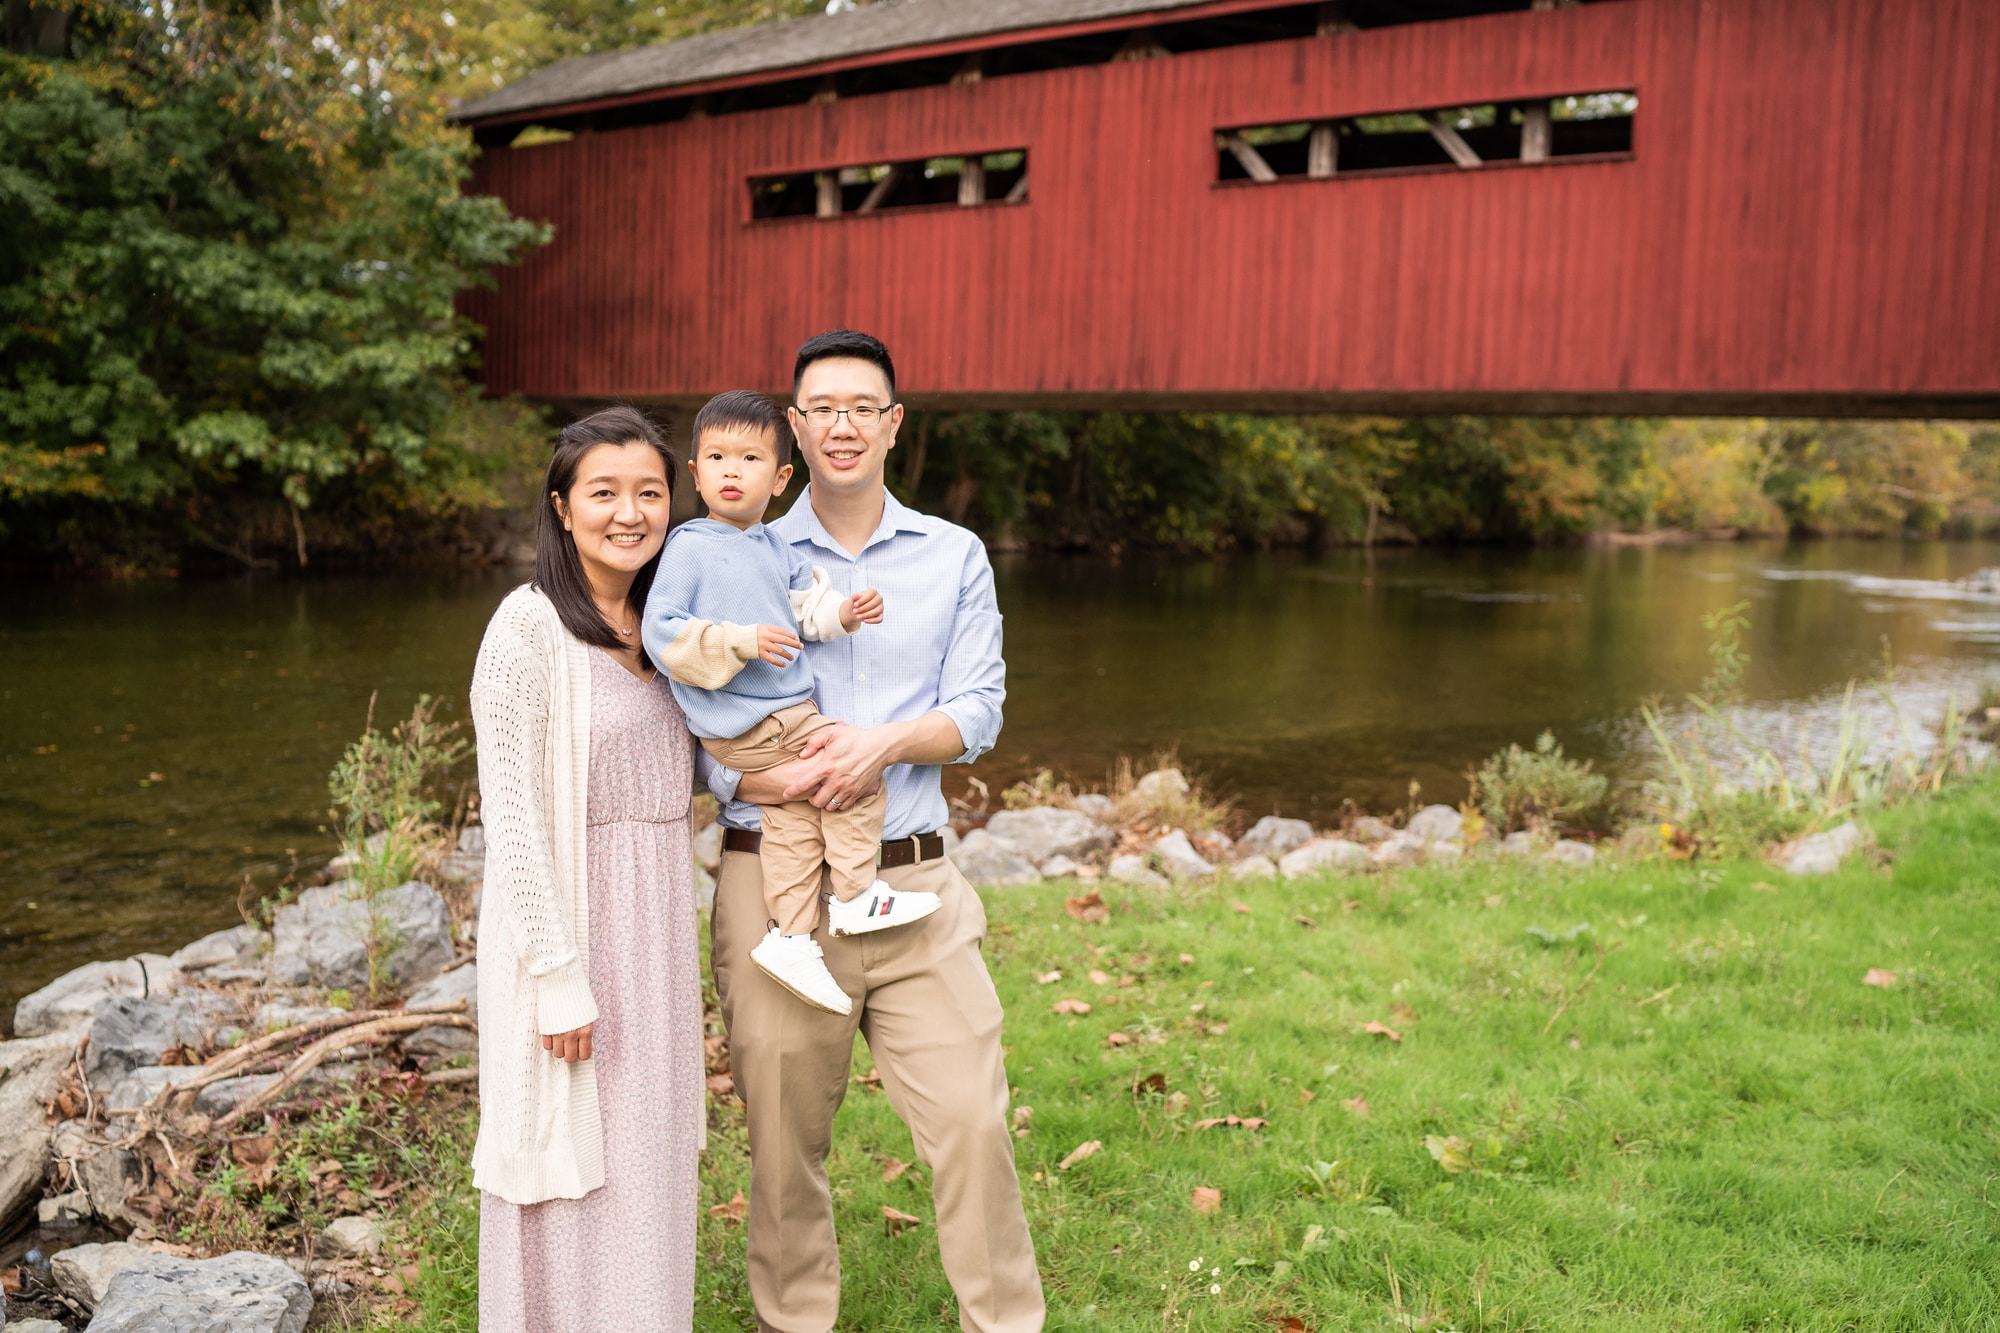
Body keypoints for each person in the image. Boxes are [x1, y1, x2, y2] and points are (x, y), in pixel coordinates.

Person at [700, 331, 1046, 1333]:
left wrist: (880, 746)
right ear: (793, 429)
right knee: (782, 1143)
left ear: (893, 425)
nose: (842, 424)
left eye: (863, 406)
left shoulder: (953, 555)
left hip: (914, 887)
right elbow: (698, 721)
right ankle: (794, 1320)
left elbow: (976, 710)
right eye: (822, 408)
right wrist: (782, 775)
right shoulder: (735, 555)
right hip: (775, 891)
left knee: (971, 1119)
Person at [469, 406, 704, 1333]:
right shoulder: (525, 628)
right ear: (563, 509)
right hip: (573, 932)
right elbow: (513, 819)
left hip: (659, 933)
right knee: (567, 1166)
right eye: (604, 492)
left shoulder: (670, 624)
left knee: (649, 1159)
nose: (629, 512)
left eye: (649, 491)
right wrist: (557, 976)